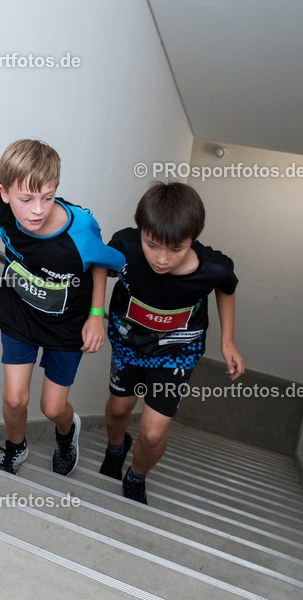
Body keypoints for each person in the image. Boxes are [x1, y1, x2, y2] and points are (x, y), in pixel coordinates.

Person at [0, 139, 125, 477]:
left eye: (48, 197)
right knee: (14, 400)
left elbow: (101, 262)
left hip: (67, 323)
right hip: (20, 309)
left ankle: (67, 433)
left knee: (52, 408)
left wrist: (97, 316)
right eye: (26, 199)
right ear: (5, 193)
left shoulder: (80, 230)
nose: (38, 209)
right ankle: (16, 446)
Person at [100, 181, 243, 504]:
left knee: (152, 433)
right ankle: (116, 448)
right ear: (141, 231)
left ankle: (137, 474)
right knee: (119, 409)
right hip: (129, 344)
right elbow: (99, 267)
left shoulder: (212, 267)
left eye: (176, 249)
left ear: (193, 239)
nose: (162, 259)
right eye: (152, 245)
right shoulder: (125, 246)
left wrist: (228, 341)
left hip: (177, 352)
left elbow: (227, 288)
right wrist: (93, 312)